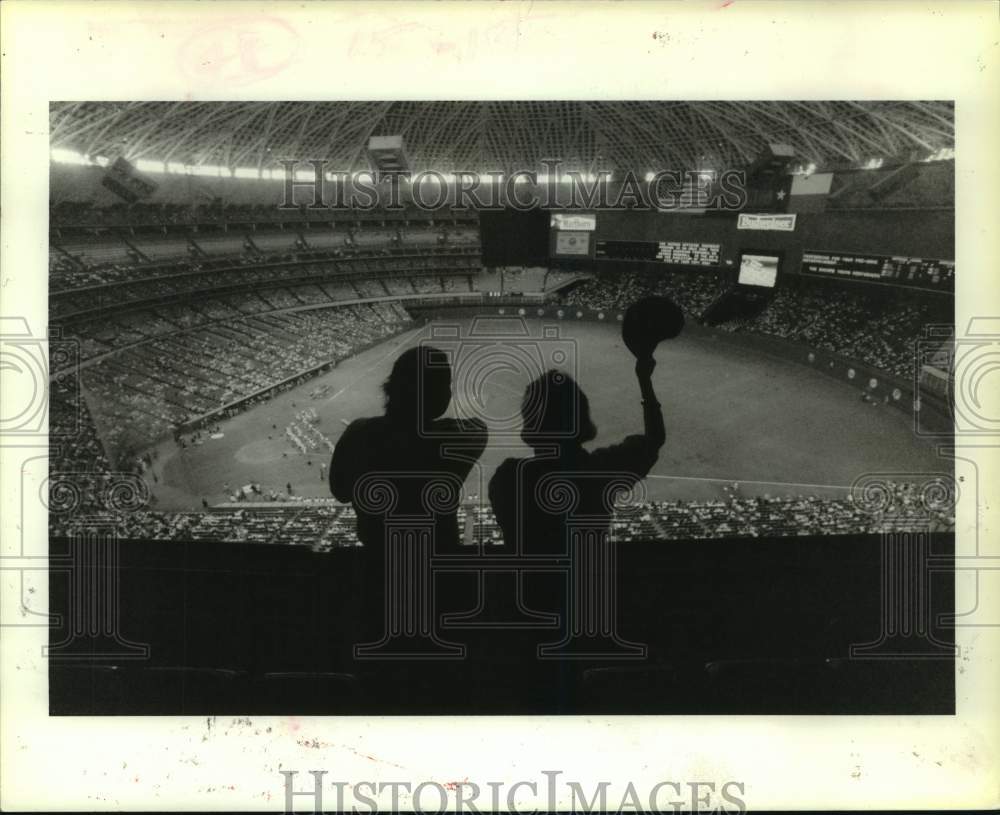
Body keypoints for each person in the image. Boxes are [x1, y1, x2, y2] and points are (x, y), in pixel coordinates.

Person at [330, 345, 488, 639]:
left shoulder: (358, 434)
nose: (450, 392)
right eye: (446, 385)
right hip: (440, 578)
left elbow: (339, 490)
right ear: (436, 394)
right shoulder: (455, 439)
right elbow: (478, 426)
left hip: (378, 575)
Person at [489, 357, 665, 557]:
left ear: (531, 427)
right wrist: (644, 380)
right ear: (580, 418)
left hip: (527, 586)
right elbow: (655, 438)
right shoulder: (602, 470)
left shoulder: (510, 477)